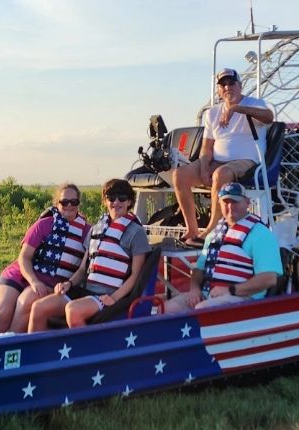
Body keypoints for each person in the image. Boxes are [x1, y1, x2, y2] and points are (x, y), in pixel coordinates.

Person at [25, 178, 151, 332]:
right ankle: (38, 354)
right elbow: (83, 269)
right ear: (105, 201)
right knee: (39, 308)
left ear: (129, 201)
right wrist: (68, 284)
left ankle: (82, 354)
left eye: (122, 198)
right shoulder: (96, 229)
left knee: (73, 310)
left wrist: (114, 298)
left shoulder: (136, 233)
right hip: (84, 291)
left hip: (106, 295)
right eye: (111, 198)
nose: (116, 202)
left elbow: (136, 276)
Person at [174, 68, 274, 247]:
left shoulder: (255, 104)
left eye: (231, 83)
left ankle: (212, 228)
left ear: (240, 86)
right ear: (219, 91)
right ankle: (192, 229)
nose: (228, 88)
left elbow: (269, 117)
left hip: (247, 160)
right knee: (179, 175)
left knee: (220, 174)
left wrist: (237, 109)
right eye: (223, 85)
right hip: (217, 160)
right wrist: (204, 168)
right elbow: (206, 147)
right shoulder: (212, 113)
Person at [0, 183, 90, 334]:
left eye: (74, 202)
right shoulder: (44, 225)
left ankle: (8, 345)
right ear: (57, 203)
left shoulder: (87, 232)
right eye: (64, 202)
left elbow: (85, 267)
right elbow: (24, 257)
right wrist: (34, 281)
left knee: (26, 301)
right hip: (20, 275)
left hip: (50, 283)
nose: (69, 205)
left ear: (79, 203)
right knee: (1, 313)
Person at [165, 182, 282, 312]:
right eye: (226, 202)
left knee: (202, 310)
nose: (230, 207)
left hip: (243, 298)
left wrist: (230, 290)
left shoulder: (261, 234)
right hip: (208, 294)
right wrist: (195, 290)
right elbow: (199, 269)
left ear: (247, 203)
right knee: (167, 309)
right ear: (219, 204)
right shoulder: (215, 233)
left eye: (235, 202)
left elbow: (269, 279)